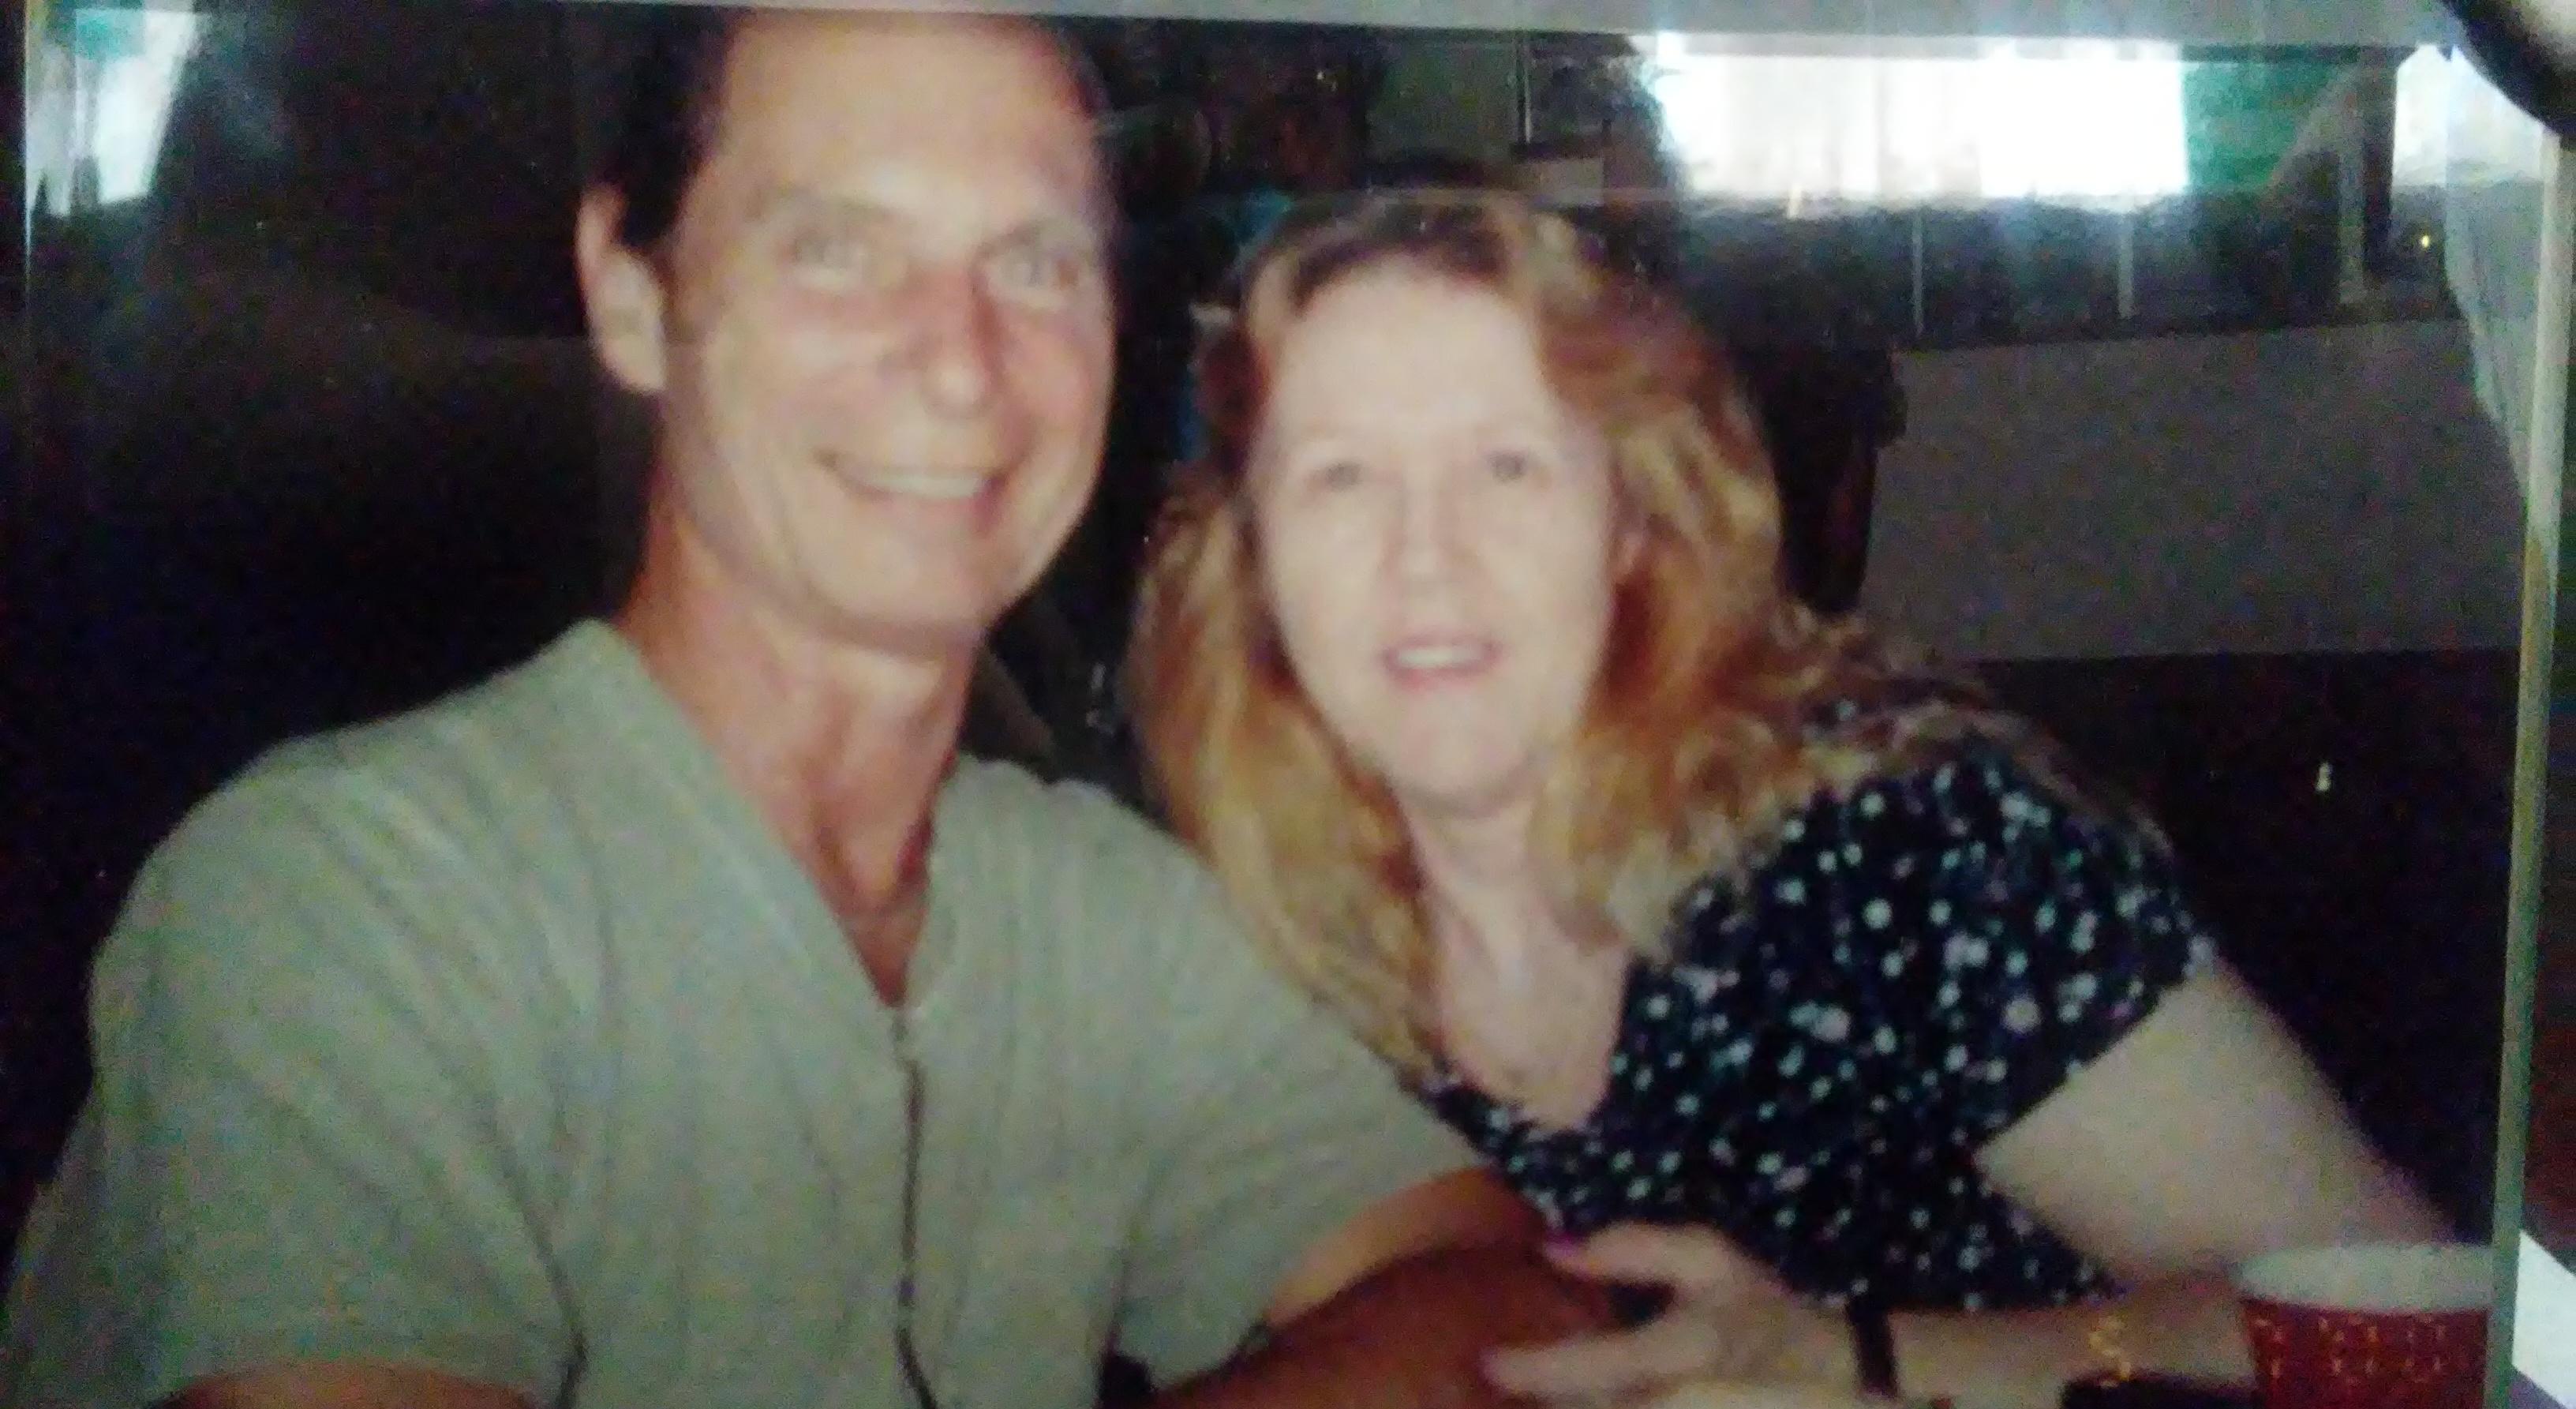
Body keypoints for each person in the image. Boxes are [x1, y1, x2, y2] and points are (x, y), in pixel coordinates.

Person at [0, 16, 1612, 1409]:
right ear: (632, 297)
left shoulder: (1102, 912)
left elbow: (1517, 1310)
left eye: (1036, 260)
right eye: (839, 248)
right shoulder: (345, 901)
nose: (963, 365)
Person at [1128, 191, 2451, 1409]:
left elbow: (2419, 1329)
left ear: (1633, 522)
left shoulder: (1921, 851)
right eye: (1342, 475)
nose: (1427, 557)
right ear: (1250, 566)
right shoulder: (1211, 947)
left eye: (1507, 464)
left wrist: (1866, 1358)